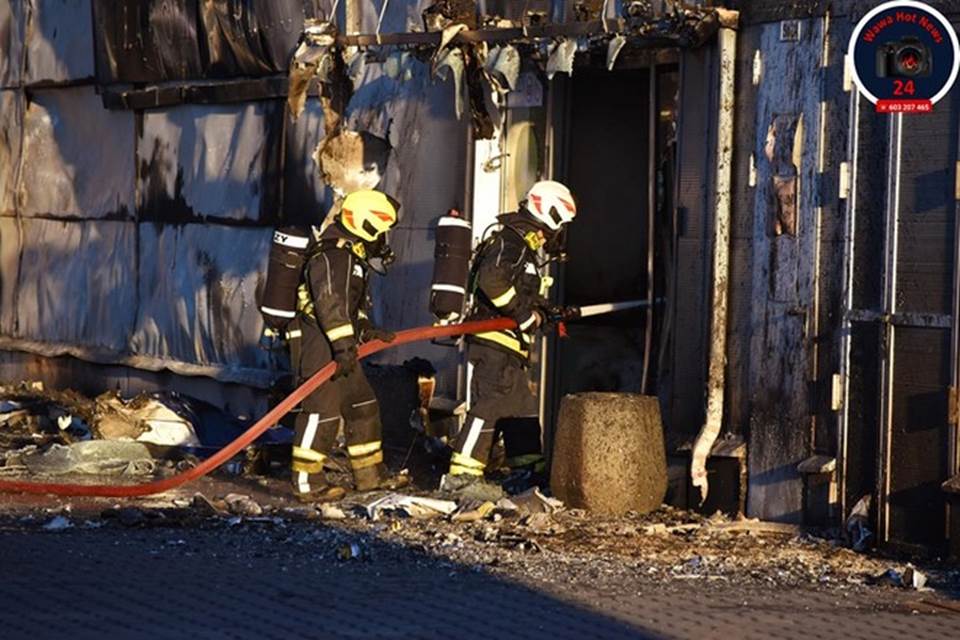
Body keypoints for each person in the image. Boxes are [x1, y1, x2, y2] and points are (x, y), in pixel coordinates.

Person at [442, 180, 579, 494]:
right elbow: (492, 280)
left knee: (522, 408)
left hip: (509, 344)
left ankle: (528, 475)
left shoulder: (525, 248)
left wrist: (544, 313)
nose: (555, 235)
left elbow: (519, 292)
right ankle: (461, 478)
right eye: (557, 225)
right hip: (493, 340)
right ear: (548, 213)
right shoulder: (512, 240)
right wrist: (523, 314)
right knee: (490, 405)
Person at [288, 189, 409, 502]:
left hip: (341, 346)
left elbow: (349, 307)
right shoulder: (334, 254)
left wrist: (366, 330)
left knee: (361, 406)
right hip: (320, 345)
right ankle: (306, 483)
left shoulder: (351, 257)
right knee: (321, 412)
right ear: (366, 226)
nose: (383, 241)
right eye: (381, 233)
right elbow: (330, 304)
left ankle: (370, 476)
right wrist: (343, 346)